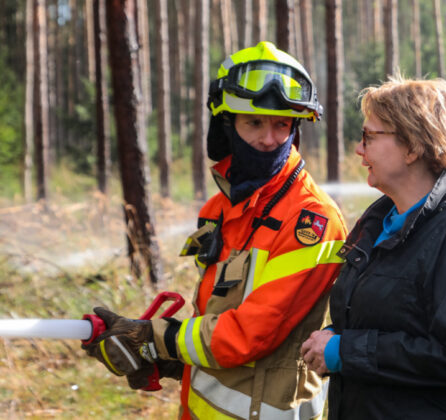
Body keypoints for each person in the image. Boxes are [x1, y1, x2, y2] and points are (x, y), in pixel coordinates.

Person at [83, 41, 348, 420]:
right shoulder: (219, 209)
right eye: (254, 122)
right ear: (226, 125)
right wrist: (159, 358)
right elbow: (214, 325)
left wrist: (157, 338)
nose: (270, 139)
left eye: (282, 123)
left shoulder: (313, 220)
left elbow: (248, 335)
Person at [301, 75, 446, 419]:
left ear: (412, 146)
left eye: (369, 136)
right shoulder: (377, 222)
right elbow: (390, 318)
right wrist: (336, 336)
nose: (358, 148)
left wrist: (345, 351)